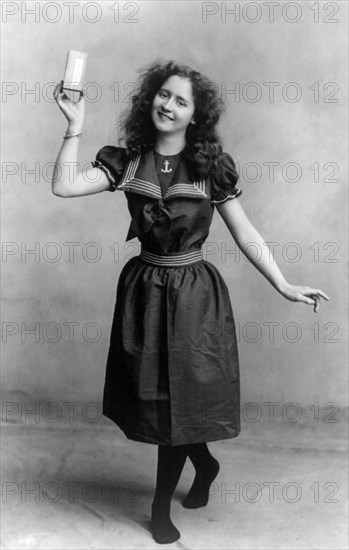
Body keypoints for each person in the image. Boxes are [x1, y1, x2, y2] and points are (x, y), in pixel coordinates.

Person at [52, 60, 329, 544]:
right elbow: (63, 186)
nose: (169, 104)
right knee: (161, 399)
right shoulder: (127, 160)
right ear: (150, 101)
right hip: (144, 289)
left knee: (185, 393)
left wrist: (283, 284)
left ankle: (160, 506)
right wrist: (73, 130)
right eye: (163, 95)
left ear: (195, 116)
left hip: (194, 295)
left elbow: (245, 235)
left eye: (182, 100)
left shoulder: (210, 169)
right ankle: (204, 463)